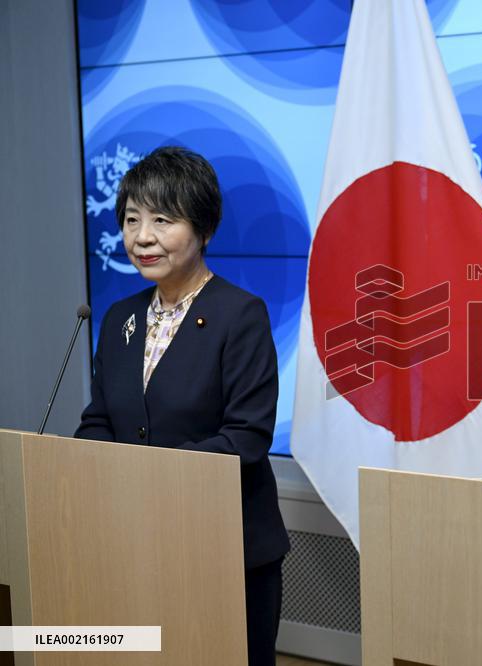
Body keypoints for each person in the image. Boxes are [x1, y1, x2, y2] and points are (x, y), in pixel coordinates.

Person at [76, 146, 291, 664]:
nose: (142, 237)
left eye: (162, 220)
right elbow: (99, 421)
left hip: (225, 549)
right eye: (131, 220)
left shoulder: (240, 315)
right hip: (137, 543)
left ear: (204, 229)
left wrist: (153, 479)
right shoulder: (118, 319)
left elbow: (246, 437)